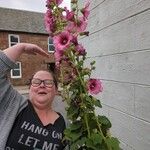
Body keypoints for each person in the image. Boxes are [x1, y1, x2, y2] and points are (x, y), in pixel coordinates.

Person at [0, 43, 66, 150]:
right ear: (30, 88)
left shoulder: (63, 123)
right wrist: (21, 47)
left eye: (48, 82)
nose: (42, 85)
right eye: (36, 82)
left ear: (56, 90)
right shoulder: (13, 103)